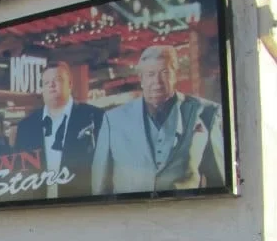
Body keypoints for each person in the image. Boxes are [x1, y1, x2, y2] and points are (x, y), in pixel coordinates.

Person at [91, 44, 226, 195]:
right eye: (150, 74)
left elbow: (219, 183)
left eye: (165, 73)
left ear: (176, 74)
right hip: (130, 216)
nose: (157, 81)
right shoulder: (113, 120)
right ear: (141, 79)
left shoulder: (206, 112)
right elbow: (100, 189)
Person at [14, 61, 105, 200]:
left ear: (70, 84)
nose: (51, 85)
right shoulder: (26, 127)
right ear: (42, 89)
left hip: (84, 207)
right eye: (46, 82)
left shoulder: (95, 117)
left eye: (57, 80)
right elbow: (19, 173)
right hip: (37, 210)